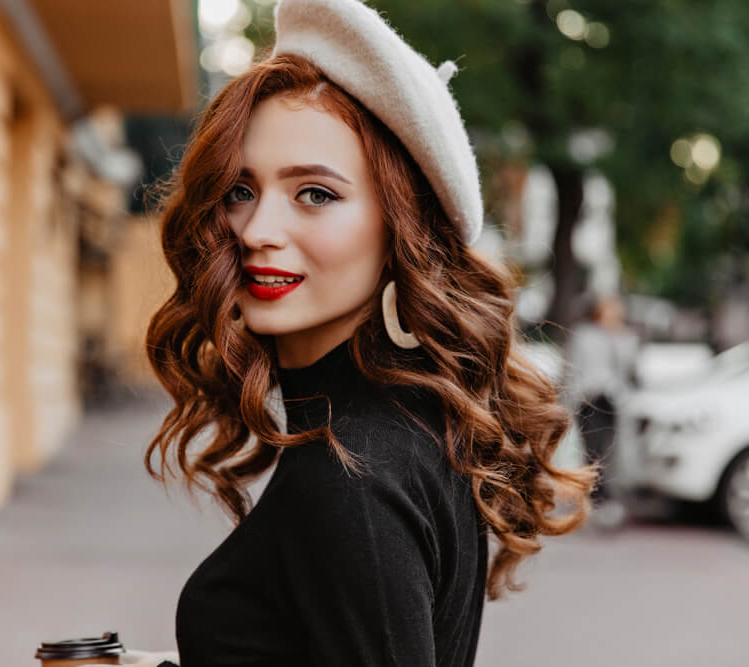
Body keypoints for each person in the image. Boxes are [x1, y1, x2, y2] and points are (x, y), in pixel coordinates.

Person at [131, 1, 595, 665]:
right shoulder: (404, 423)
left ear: (398, 230)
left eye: (314, 194)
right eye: (239, 189)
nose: (257, 229)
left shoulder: (349, 472)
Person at [565, 293, 639, 528]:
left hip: (615, 402)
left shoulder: (626, 337)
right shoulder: (584, 335)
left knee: (611, 451)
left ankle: (604, 497)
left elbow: (631, 370)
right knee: (593, 451)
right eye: (608, 309)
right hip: (589, 400)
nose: (613, 314)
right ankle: (595, 498)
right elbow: (572, 369)